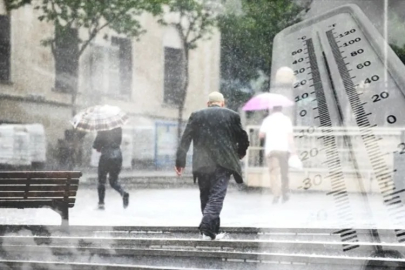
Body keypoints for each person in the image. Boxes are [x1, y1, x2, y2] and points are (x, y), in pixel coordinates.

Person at [175, 92, 249, 240]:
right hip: (223, 163)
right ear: (222, 103)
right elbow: (243, 138)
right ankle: (207, 227)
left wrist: (180, 162)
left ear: (208, 104)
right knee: (216, 196)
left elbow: (185, 140)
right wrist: (240, 153)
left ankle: (210, 232)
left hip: (202, 164)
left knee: (206, 197)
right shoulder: (232, 115)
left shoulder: (196, 115)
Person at [259, 106, 296, 204]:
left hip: (272, 150)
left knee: (274, 173)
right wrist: (293, 150)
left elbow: (261, 135)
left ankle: (276, 195)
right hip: (284, 149)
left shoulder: (267, 120)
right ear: (281, 109)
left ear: (272, 109)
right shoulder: (286, 120)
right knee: (284, 173)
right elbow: (290, 136)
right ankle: (285, 193)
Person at [93, 127, 129, 210]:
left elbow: (95, 145)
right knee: (113, 181)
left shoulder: (102, 129)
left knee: (101, 181)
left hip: (106, 156)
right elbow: (118, 142)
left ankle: (101, 203)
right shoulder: (119, 128)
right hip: (117, 156)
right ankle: (123, 193)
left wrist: (99, 146)